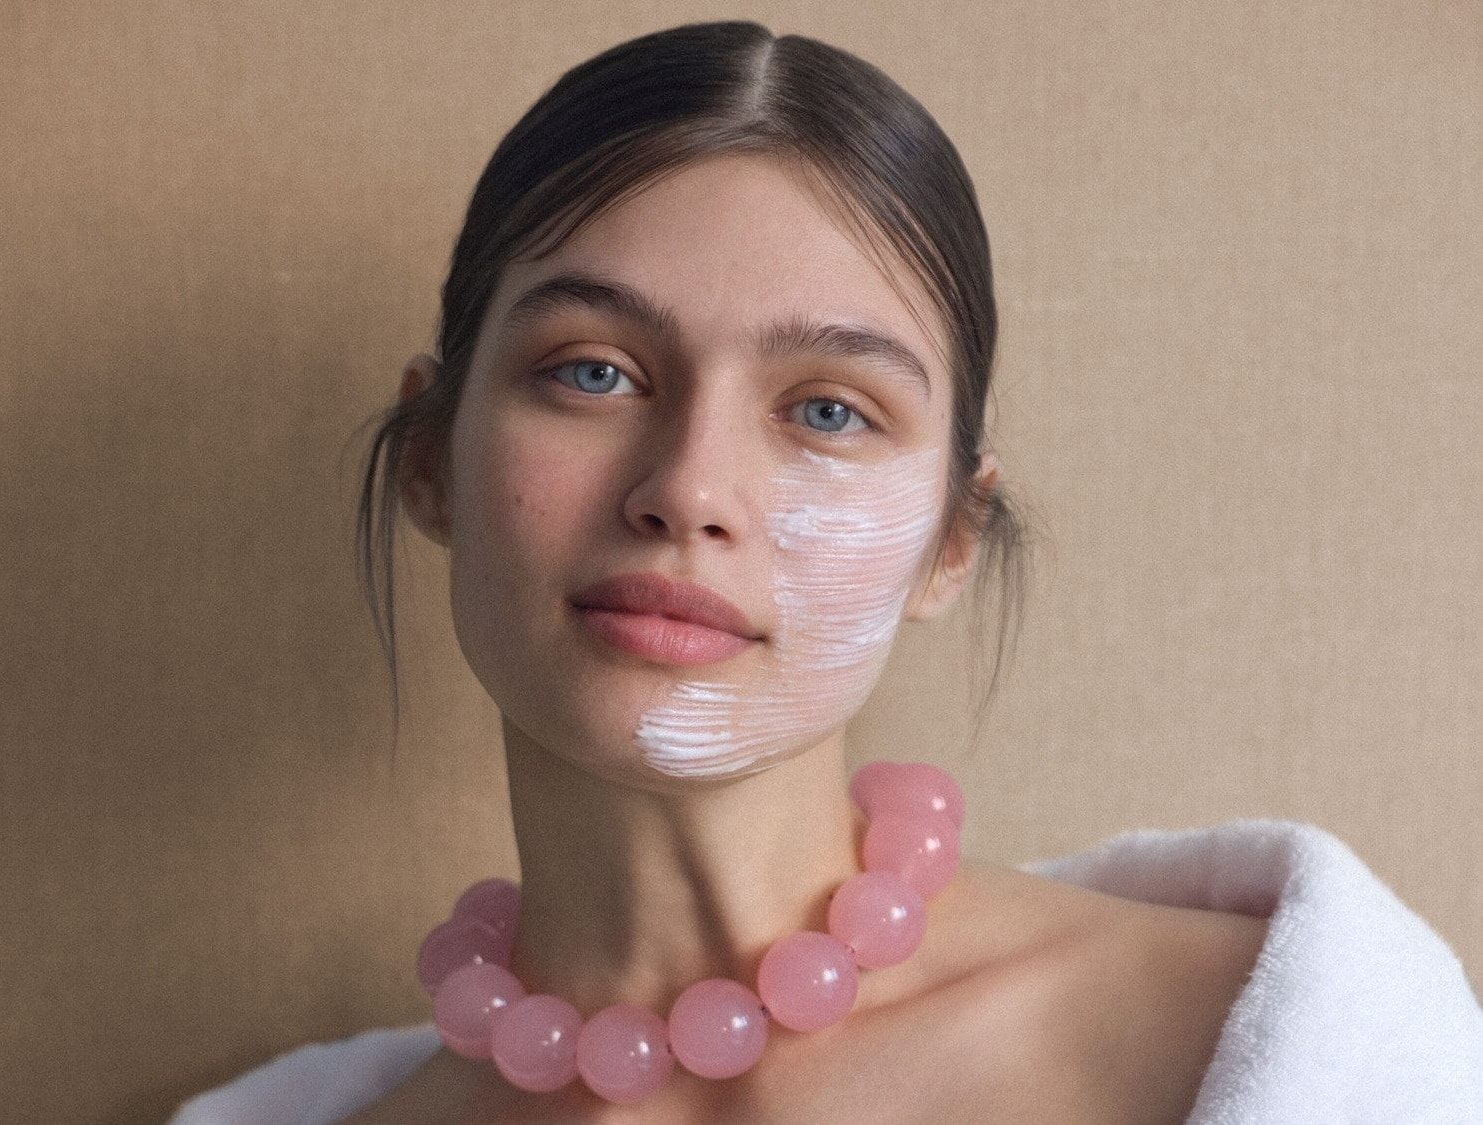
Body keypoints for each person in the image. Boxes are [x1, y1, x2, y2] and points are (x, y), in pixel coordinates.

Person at [172, 21, 1483, 1124]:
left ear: (948, 542)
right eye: (592, 371)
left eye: (830, 411)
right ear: (430, 461)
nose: (687, 488)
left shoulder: (1288, 1037)